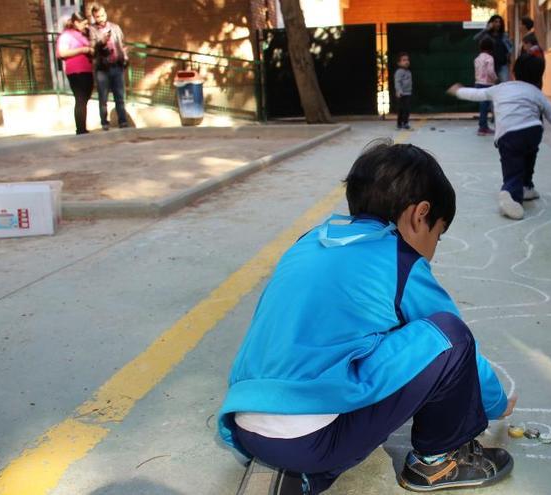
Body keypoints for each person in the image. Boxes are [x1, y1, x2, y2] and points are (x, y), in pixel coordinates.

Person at [218, 141, 517, 495]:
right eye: (438, 233)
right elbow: (454, 346)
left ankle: (301, 474)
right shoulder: (400, 260)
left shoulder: (308, 241)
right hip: (313, 439)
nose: (434, 247)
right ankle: (439, 463)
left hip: (246, 425)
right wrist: (496, 403)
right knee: (448, 335)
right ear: (419, 215)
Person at [448, 55, 551, 220]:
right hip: (533, 132)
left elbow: (477, 94)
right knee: (529, 157)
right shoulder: (537, 93)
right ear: (540, 77)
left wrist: (458, 91)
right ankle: (526, 187)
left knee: (513, 168)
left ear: (513, 72)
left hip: (508, 136)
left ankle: (509, 194)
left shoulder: (500, 88)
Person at [89, 3, 129, 130]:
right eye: (97, 17)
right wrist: (102, 42)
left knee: (119, 95)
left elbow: (122, 44)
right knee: (103, 97)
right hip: (102, 68)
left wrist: (125, 56)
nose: (101, 19)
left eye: (102, 15)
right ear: (94, 17)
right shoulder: (92, 30)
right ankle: (104, 122)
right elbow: (92, 48)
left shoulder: (115, 27)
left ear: (105, 13)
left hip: (117, 65)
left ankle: (122, 121)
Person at [56, 12, 94, 135]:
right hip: (76, 71)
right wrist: (82, 50)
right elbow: (62, 53)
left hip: (87, 69)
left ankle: (83, 126)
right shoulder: (66, 36)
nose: (86, 26)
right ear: (76, 22)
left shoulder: (82, 35)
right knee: (80, 98)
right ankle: (80, 129)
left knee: (85, 98)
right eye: (84, 24)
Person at [474, 14, 513, 83]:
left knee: (505, 85)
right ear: (491, 23)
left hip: (502, 65)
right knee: (490, 86)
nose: (498, 24)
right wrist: (486, 29)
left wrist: (509, 55)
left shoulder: (504, 35)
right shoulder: (487, 35)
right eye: (496, 22)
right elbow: (476, 39)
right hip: (489, 65)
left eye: (499, 22)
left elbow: (511, 47)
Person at [474, 37, 497, 136]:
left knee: (482, 107)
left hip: (478, 83)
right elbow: (490, 71)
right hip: (487, 85)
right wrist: (495, 78)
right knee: (486, 107)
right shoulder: (489, 58)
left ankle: (483, 126)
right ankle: (483, 127)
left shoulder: (477, 58)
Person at [394, 52, 413, 130]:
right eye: (404, 60)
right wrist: (399, 91)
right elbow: (397, 82)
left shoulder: (408, 72)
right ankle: (399, 123)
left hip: (408, 93)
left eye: (407, 60)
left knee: (407, 109)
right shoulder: (399, 72)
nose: (406, 61)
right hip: (401, 94)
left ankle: (405, 123)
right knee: (401, 109)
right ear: (399, 63)